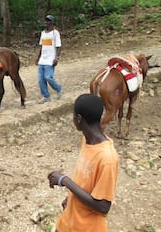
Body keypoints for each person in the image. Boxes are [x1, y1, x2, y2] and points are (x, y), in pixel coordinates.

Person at [47, 93, 119, 232]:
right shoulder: (87, 141)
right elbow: (86, 181)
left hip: (87, 227)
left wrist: (65, 181)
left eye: (73, 115)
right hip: (69, 220)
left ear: (79, 119)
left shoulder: (107, 158)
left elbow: (103, 206)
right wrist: (71, 198)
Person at [35, 15, 62, 104]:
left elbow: (58, 47)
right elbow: (41, 47)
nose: (46, 22)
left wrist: (56, 58)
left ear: (52, 22)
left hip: (50, 60)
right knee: (40, 79)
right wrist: (38, 58)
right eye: (46, 20)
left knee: (48, 77)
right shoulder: (43, 33)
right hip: (42, 60)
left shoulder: (55, 33)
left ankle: (58, 88)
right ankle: (46, 96)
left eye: (48, 21)